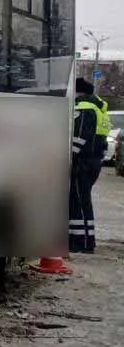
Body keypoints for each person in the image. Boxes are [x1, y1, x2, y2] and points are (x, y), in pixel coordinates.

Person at [70, 78, 99, 253]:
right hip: (92, 161)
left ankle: (81, 243)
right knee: (83, 201)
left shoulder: (84, 107)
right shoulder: (96, 106)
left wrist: (69, 156)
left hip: (82, 162)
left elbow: (78, 136)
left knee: (78, 201)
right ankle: (85, 240)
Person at [88, 84, 111, 184]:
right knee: (85, 192)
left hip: (86, 157)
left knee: (80, 194)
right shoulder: (102, 111)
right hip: (97, 156)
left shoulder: (87, 109)